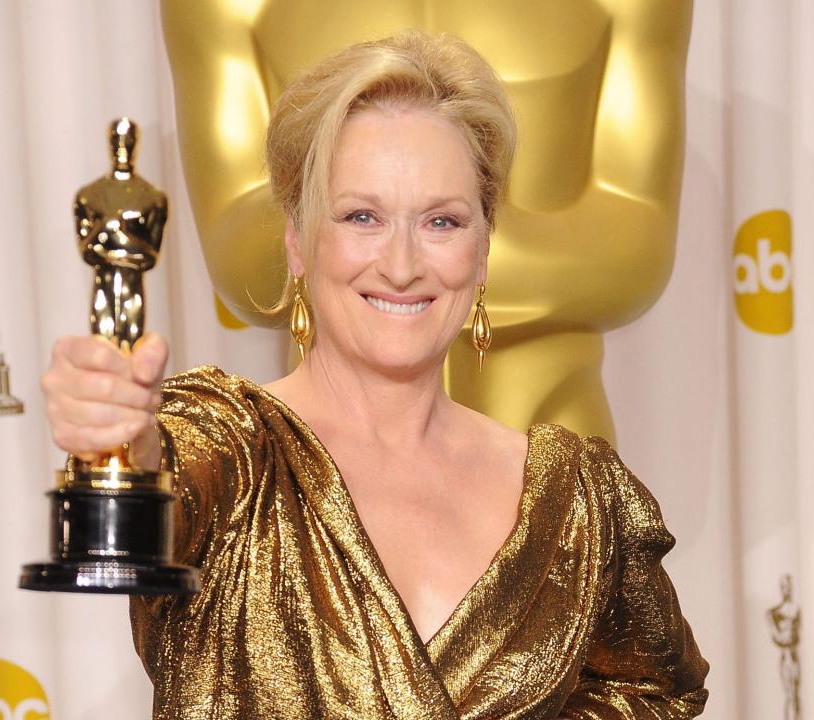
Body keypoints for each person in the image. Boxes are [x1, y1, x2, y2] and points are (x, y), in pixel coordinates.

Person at [42, 31, 708, 719]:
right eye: (363, 217)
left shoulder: (573, 502)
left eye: (442, 222)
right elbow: (161, 481)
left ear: (482, 251)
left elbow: (656, 694)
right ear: (298, 242)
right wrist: (118, 438)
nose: (401, 264)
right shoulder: (235, 451)